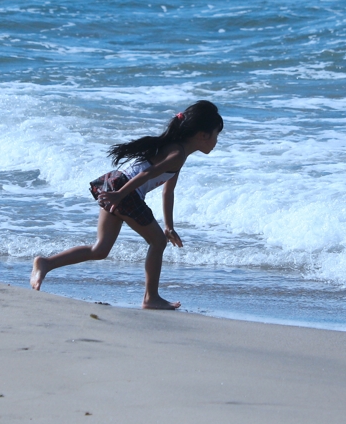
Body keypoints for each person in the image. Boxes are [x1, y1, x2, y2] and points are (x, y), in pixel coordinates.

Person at [30, 100, 223, 309]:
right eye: (216, 135)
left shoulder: (176, 152)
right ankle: (151, 298)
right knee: (157, 243)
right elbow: (147, 173)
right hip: (123, 189)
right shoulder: (176, 154)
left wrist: (169, 226)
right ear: (202, 135)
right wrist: (120, 195)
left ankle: (46, 263)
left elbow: (168, 190)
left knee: (100, 249)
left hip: (115, 183)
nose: (216, 141)